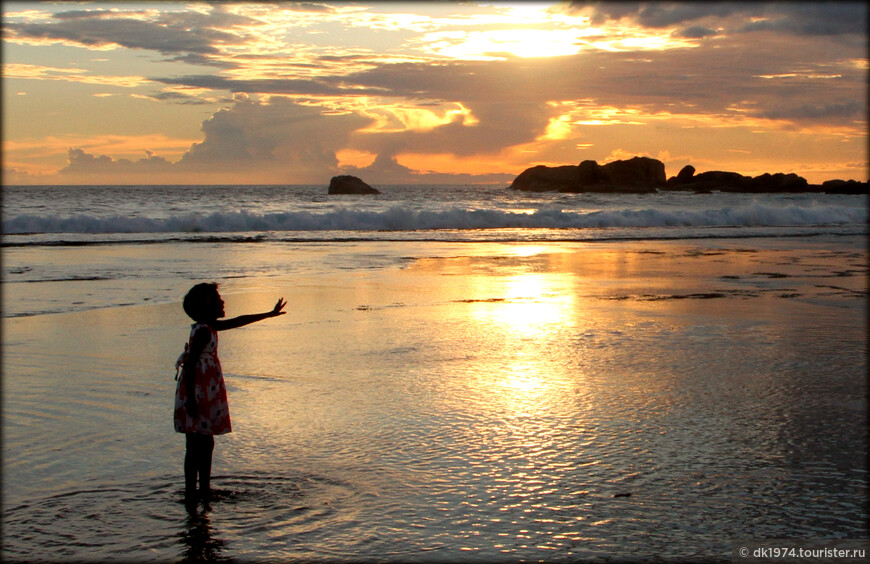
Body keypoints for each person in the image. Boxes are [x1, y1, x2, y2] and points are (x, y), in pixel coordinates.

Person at [175, 282, 286, 508]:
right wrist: (193, 402)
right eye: (218, 300)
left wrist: (269, 314)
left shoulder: (209, 327)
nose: (223, 302)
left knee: (203, 443)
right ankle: (194, 491)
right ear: (207, 307)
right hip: (199, 392)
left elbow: (239, 320)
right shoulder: (205, 331)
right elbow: (189, 365)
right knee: (197, 444)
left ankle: (201, 490)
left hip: (204, 390)